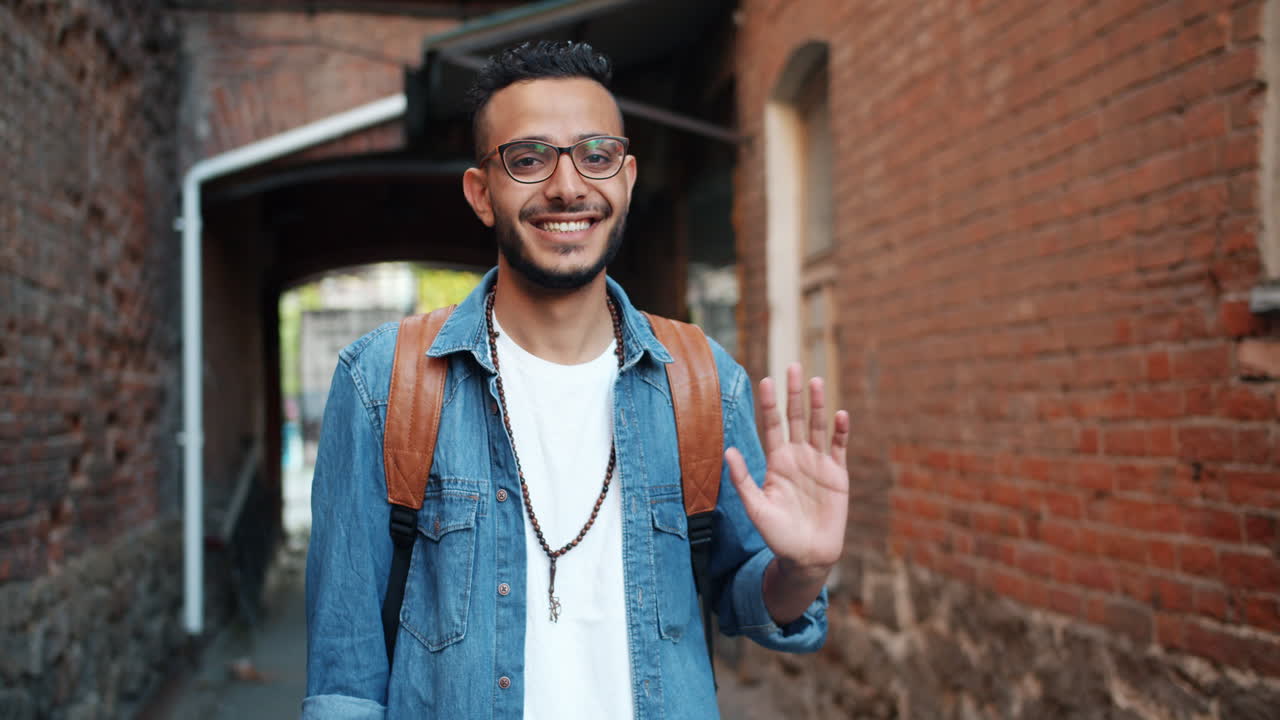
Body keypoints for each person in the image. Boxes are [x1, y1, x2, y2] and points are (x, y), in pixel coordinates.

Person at [303, 40, 850, 719]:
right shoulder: (385, 385)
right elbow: (344, 683)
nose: (568, 186)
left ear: (625, 178)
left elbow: (751, 602)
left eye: (596, 155)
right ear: (481, 193)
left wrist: (802, 568)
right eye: (528, 159)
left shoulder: (705, 383)